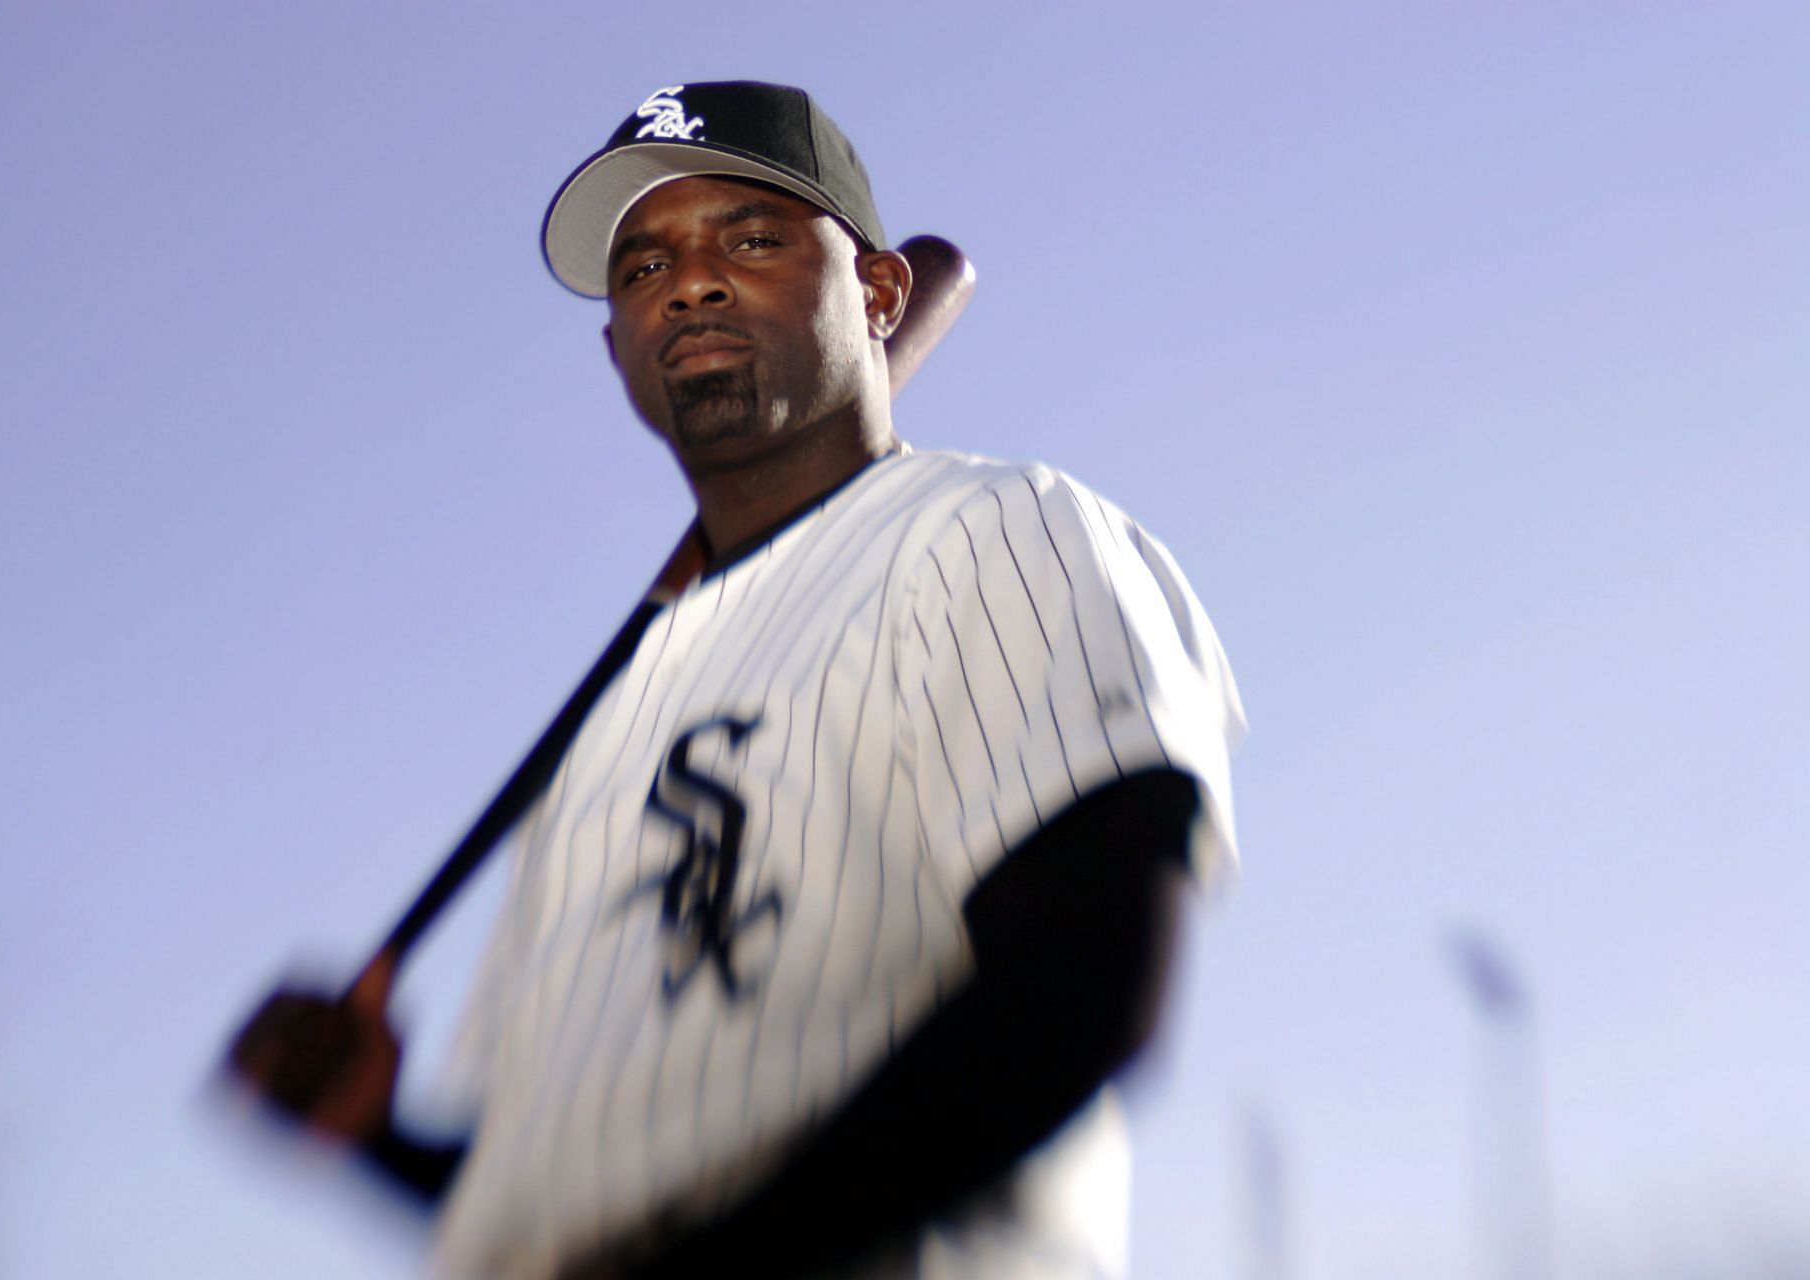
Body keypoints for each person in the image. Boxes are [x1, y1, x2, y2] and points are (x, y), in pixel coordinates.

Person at [229, 81, 1245, 1280]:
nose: (690, 281)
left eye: (751, 238)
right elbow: (571, 1202)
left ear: (877, 294)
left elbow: (1074, 996)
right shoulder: (614, 726)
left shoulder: (993, 531)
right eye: (643, 264)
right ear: (618, 349)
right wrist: (378, 1136)